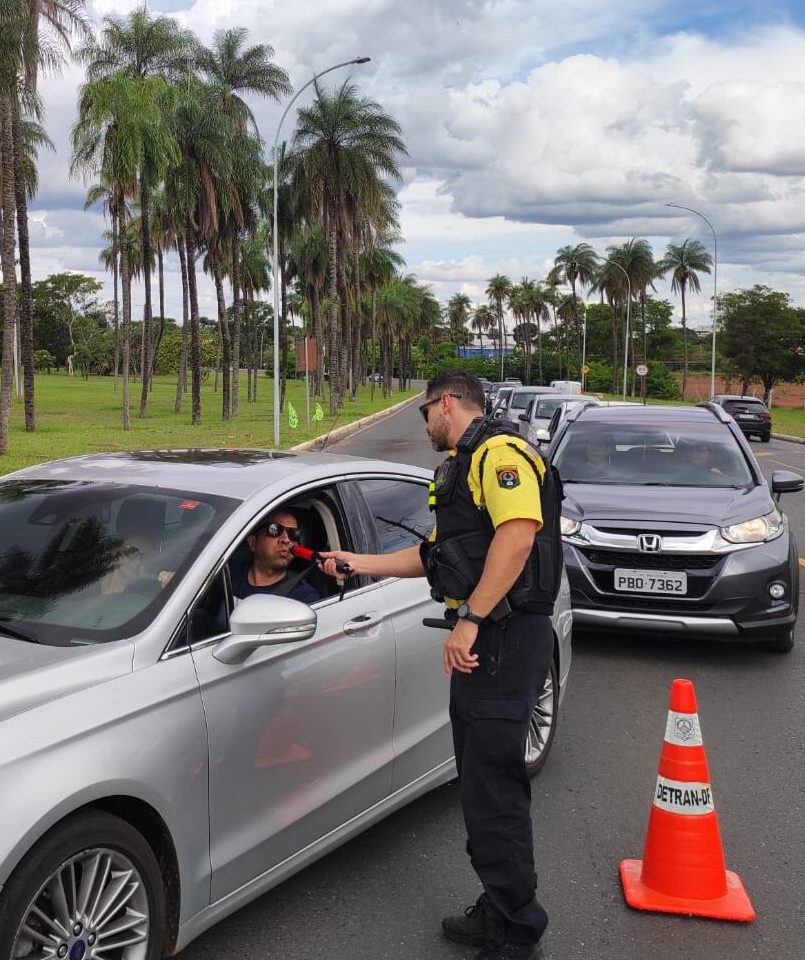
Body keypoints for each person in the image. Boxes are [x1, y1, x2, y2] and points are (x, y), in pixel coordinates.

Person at [318, 371, 560, 960]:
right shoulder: (462, 465)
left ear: (446, 403)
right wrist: (360, 563)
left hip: (503, 637)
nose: (423, 422)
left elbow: (519, 535)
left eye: (425, 411)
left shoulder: (500, 454)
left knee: (494, 785)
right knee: (478, 783)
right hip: (489, 640)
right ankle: (500, 904)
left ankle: (517, 927)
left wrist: (473, 619)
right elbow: (437, 555)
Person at [231, 508, 323, 607]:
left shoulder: (304, 598)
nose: (286, 540)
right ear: (252, 542)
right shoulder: (228, 575)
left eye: (293, 533)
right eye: (274, 530)